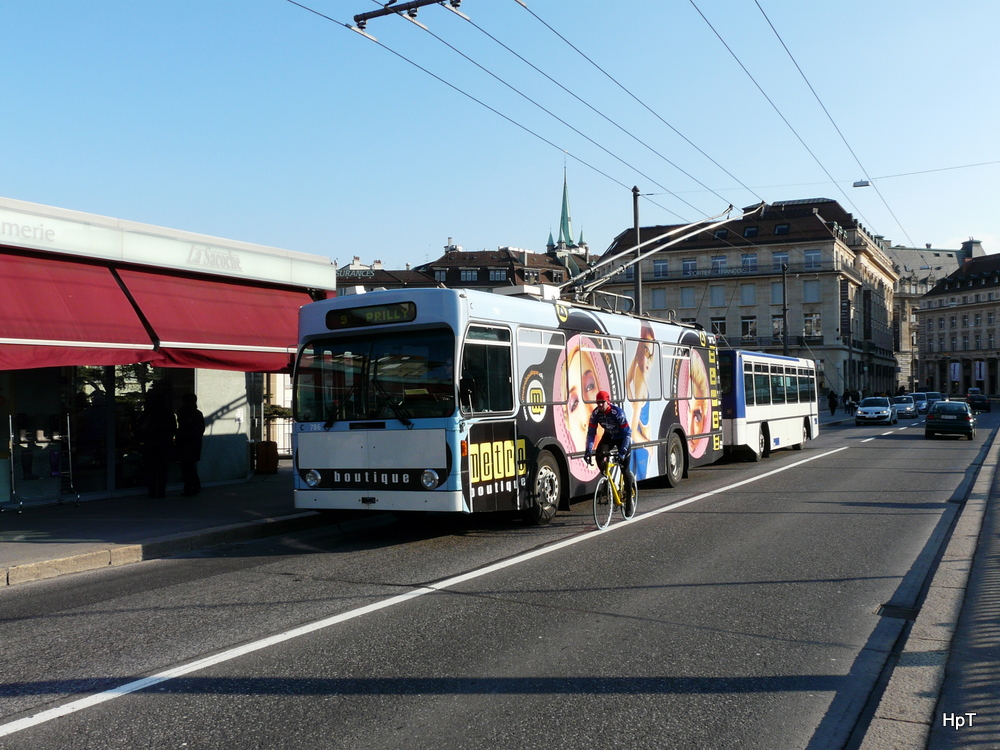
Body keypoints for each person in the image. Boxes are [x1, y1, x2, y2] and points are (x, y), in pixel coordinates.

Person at [583, 390, 635, 499]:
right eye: (598, 403)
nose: (600, 405)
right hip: (609, 437)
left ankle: (629, 498)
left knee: (625, 469)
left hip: (622, 438)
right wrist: (588, 450)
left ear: (608, 402)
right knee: (599, 454)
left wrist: (622, 453)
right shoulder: (595, 414)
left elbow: (627, 433)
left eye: (602, 402)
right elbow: (591, 433)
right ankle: (607, 479)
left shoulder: (618, 413)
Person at [140, 389, 176, 498]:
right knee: (162, 470)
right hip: (165, 445)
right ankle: (161, 492)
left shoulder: (149, 414)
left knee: (151, 470)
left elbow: (141, 427)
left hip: (151, 444)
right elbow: (173, 429)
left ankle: (152, 492)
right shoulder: (169, 414)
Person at [176, 393, 206, 497]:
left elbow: (182, 428)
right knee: (190, 466)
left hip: (185, 443)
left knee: (187, 466)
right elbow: (201, 429)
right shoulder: (197, 413)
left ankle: (190, 487)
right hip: (194, 443)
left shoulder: (183, 413)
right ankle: (194, 486)